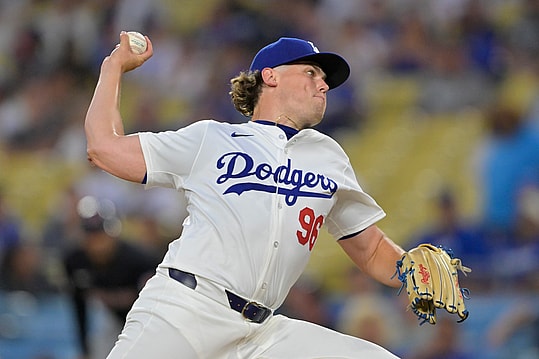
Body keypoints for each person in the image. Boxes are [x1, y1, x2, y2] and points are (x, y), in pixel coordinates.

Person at [84, 33, 408, 358]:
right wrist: (113, 67)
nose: (323, 85)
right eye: (311, 73)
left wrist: (410, 270)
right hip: (186, 311)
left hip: (261, 333)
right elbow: (103, 147)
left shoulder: (329, 157)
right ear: (271, 76)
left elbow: (370, 248)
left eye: (324, 80)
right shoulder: (212, 138)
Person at [63, 195, 160, 359]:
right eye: (90, 235)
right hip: (110, 320)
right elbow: (79, 304)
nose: (96, 242)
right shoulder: (75, 261)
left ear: (113, 233)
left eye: (100, 234)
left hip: (146, 323)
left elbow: (156, 308)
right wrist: (84, 348)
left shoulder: (140, 261)